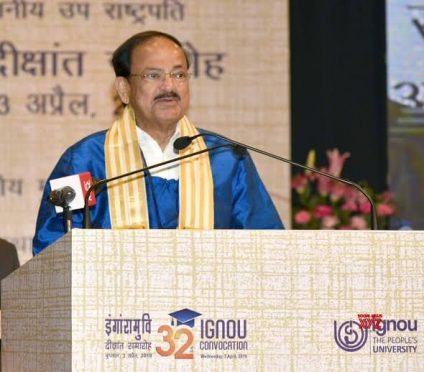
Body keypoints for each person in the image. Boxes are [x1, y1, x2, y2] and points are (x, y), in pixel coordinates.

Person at [32, 30, 283, 255]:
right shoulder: (84, 161)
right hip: (114, 306)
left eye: (179, 74)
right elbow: (53, 254)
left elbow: (266, 248)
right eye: (153, 75)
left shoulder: (225, 158)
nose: (169, 86)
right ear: (124, 89)